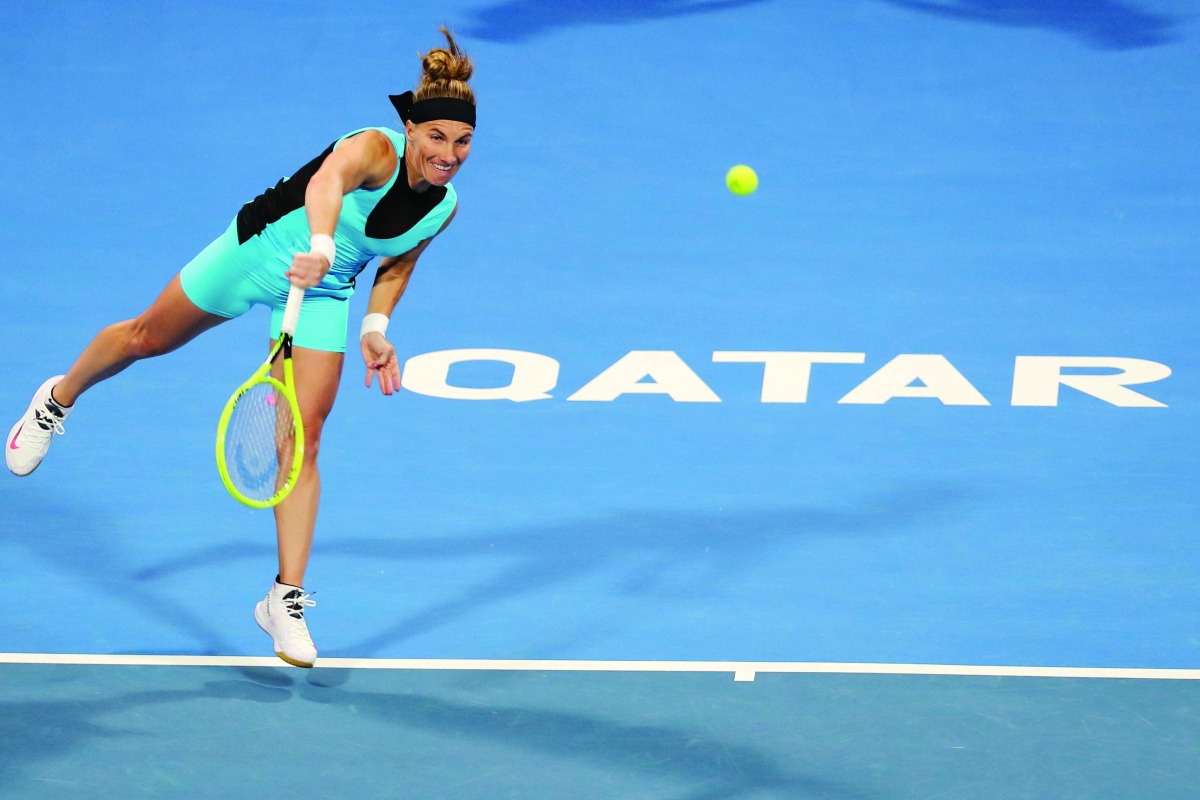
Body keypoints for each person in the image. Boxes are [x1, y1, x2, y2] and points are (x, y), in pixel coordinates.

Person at [5, 27, 476, 669]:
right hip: (258, 251)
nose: (448, 153)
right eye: (437, 137)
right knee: (147, 337)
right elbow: (325, 185)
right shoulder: (372, 148)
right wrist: (315, 243)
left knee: (302, 436)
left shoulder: (444, 206)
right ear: (412, 131)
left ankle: (283, 598)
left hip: (325, 290)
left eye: (463, 141)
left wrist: (375, 330)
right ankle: (56, 400)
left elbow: (397, 264)